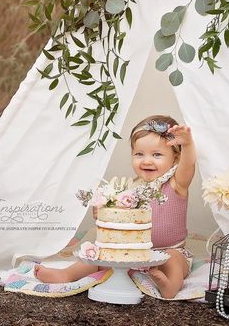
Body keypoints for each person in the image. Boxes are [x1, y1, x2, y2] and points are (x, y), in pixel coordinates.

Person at [34, 115, 196, 299]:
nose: (147, 160)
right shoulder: (131, 188)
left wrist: (187, 145)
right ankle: (66, 274)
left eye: (157, 154)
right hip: (135, 253)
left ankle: (170, 287)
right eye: (139, 154)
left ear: (175, 158)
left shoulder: (176, 184)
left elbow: (188, 165)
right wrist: (103, 212)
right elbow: (120, 218)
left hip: (168, 250)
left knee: (173, 260)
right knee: (100, 255)